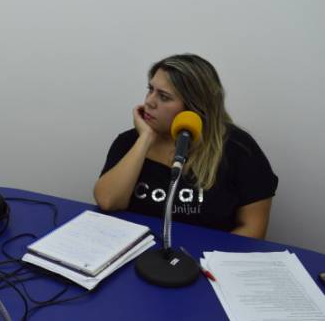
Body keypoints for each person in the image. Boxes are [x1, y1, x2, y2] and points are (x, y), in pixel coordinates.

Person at [94, 53, 277, 239]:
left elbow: (253, 229)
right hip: (139, 249)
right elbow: (108, 201)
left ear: (194, 107)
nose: (149, 101)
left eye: (164, 97)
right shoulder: (130, 141)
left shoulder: (239, 149)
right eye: (150, 89)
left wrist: (205, 257)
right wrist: (145, 139)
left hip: (205, 254)